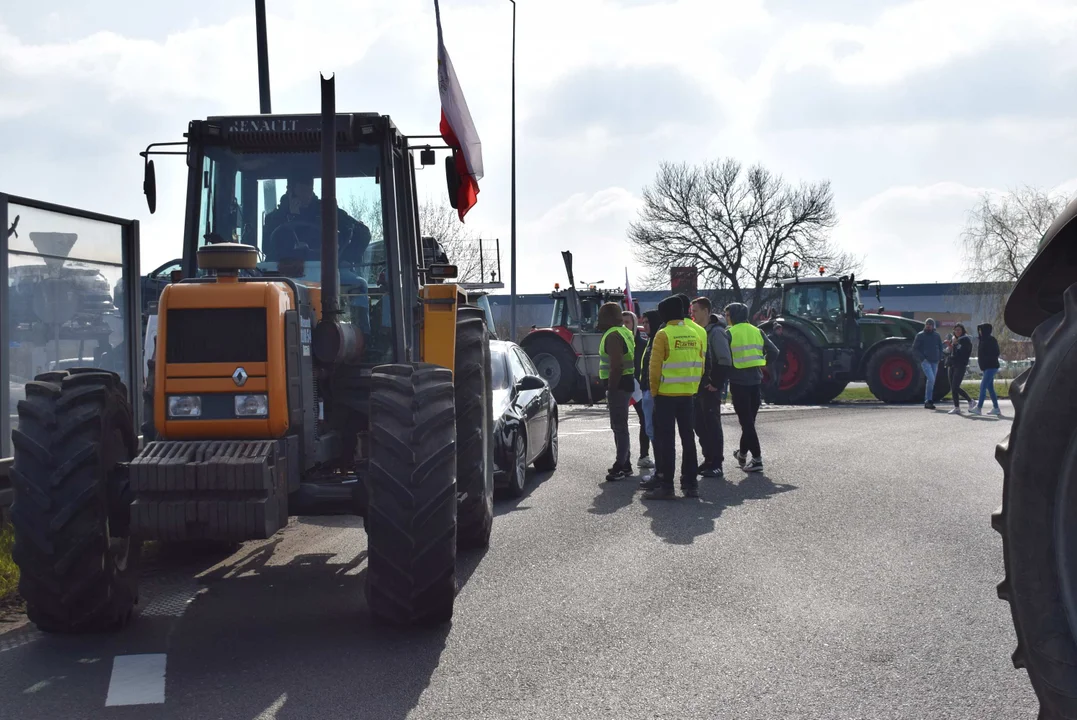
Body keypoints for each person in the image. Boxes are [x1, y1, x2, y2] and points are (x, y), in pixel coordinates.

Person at [641, 296, 703, 499]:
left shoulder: (663, 334)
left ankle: (667, 485)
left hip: (666, 395)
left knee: (666, 441)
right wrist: (693, 387)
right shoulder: (694, 333)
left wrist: (654, 392)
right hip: (688, 394)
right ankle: (691, 484)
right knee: (688, 440)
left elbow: (654, 368)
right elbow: (700, 363)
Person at [724, 302, 779, 473]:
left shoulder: (729, 333)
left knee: (746, 423)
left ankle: (757, 459)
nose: (726, 318)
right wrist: (763, 363)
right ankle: (742, 453)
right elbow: (774, 351)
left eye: (727, 315)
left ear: (733, 315)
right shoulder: (758, 331)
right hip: (756, 381)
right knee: (749, 422)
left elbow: (724, 357)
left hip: (738, 382)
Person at [692, 297, 732, 479]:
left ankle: (716, 463)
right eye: (691, 311)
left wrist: (715, 383)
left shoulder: (716, 333)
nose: (692, 314)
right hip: (698, 387)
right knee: (699, 425)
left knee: (712, 425)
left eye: (695, 311)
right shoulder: (698, 332)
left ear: (706, 311)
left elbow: (724, 360)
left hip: (710, 387)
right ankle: (708, 459)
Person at [598, 303, 636, 481]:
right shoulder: (625, 332)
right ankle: (625, 463)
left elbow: (616, 365)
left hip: (618, 386)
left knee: (619, 427)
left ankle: (621, 466)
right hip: (626, 382)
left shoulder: (613, 335)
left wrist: (611, 388)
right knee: (621, 425)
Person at [623, 310, 652, 469]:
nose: (624, 326)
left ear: (634, 324)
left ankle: (644, 455)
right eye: (622, 322)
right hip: (623, 385)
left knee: (645, 420)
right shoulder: (617, 341)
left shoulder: (643, 343)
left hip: (639, 387)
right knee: (621, 423)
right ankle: (624, 458)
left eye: (627, 322)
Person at [637, 310, 663, 481]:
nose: (644, 325)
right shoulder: (651, 339)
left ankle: (660, 472)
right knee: (651, 430)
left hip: (653, 392)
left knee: (654, 431)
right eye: (643, 322)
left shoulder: (656, 340)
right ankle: (660, 471)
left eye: (647, 322)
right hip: (647, 390)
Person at [912, 318, 944, 410]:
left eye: (930, 324)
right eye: (927, 324)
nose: (928, 325)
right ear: (925, 325)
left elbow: (940, 347)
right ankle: (928, 400)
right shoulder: (920, 335)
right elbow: (915, 348)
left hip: (935, 361)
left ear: (933, 326)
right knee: (931, 378)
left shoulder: (936, 335)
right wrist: (922, 358)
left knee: (931, 381)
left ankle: (929, 400)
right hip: (926, 361)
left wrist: (940, 357)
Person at [971, 323, 1002, 416]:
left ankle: (979, 408)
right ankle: (996, 408)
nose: (979, 332)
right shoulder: (982, 340)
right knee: (990, 388)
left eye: (981, 330)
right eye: (979, 330)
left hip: (991, 367)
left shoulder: (991, 340)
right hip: (986, 368)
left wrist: (988, 359)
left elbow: (996, 352)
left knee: (983, 386)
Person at [948, 323, 974, 414]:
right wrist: (949, 346)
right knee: (953, 387)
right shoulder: (954, 339)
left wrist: (955, 345)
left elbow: (962, 353)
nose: (957, 332)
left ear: (962, 331)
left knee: (956, 386)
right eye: (955, 330)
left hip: (960, 365)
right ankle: (956, 407)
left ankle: (970, 401)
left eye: (959, 330)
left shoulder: (965, 340)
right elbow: (951, 352)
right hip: (952, 365)